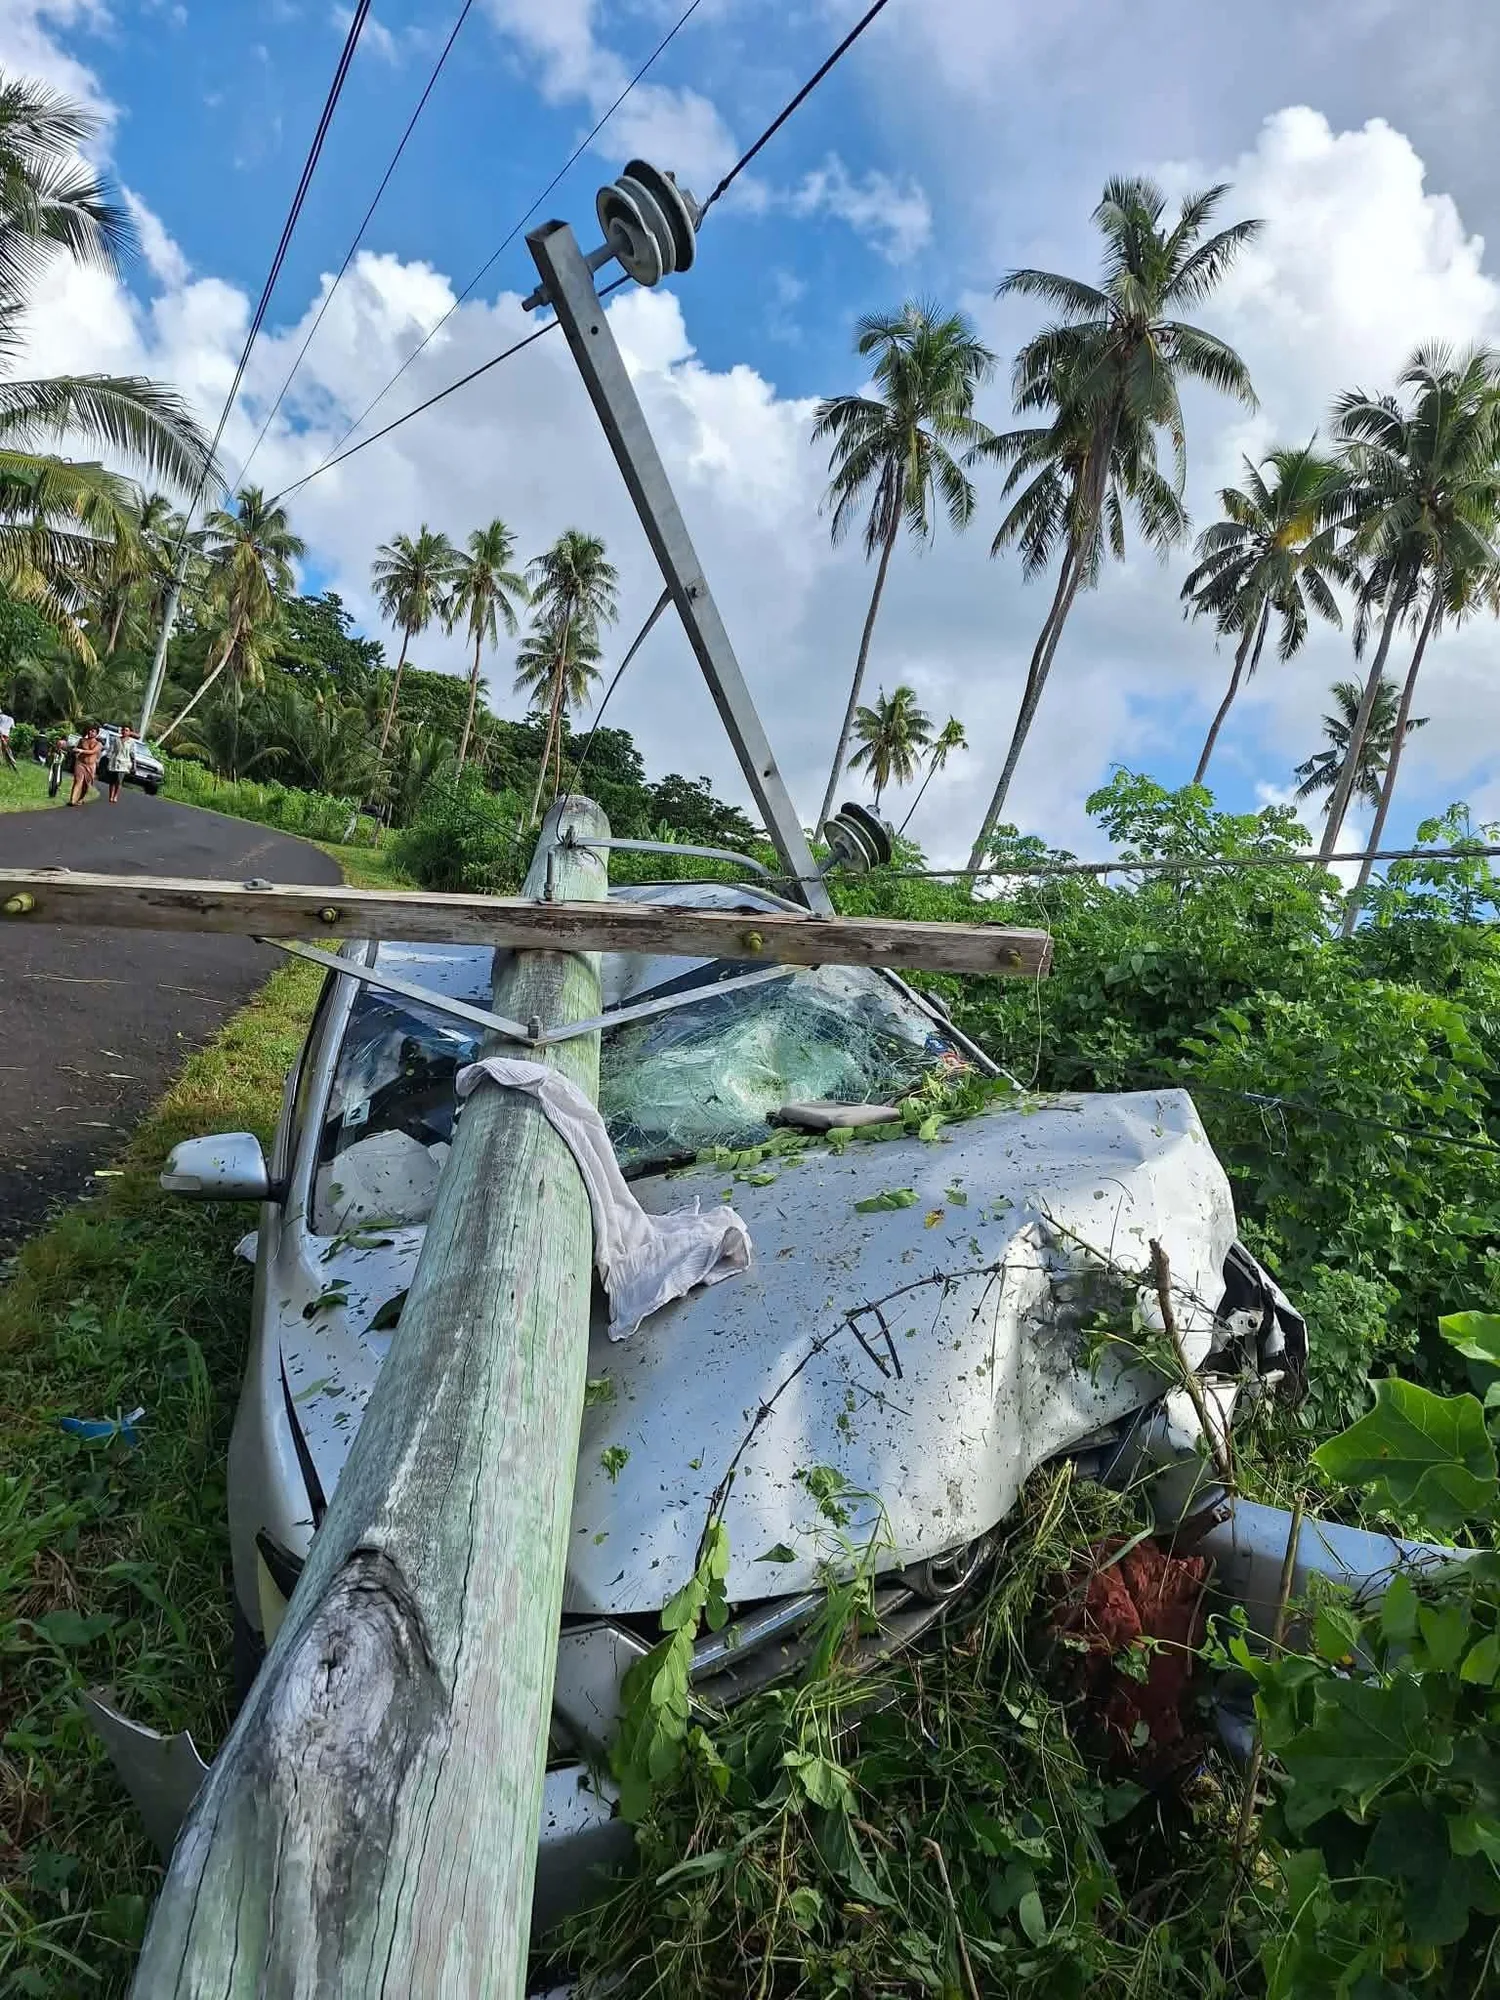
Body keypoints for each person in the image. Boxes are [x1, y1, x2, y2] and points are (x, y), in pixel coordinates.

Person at [68, 721, 102, 806]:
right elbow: (76, 749)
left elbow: (92, 751)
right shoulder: (82, 740)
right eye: (89, 730)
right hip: (80, 763)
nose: (90, 732)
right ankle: (72, 800)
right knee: (77, 781)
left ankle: (81, 798)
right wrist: (75, 751)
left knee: (86, 785)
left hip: (90, 766)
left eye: (93, 731)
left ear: (96, 733)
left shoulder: (98, 744)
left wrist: (82, 751)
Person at [104, 724, 136, 804]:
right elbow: (111, 750)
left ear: (129, 732)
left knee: (119, 780)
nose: (124, 732)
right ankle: (111, 795)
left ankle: (116, 795)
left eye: (126, 730)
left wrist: (134, 765)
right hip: (114, 761)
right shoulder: (116, 739)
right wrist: (108, 759)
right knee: (112, 780)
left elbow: (132, 753)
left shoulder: (131, 742)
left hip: (124, 763)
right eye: (123, 730)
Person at [46, 731, 66, 797]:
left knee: (54, 776)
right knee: (57, 776)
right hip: (59, 762)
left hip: (56, 761)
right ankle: (53, 791)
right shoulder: (65, 744)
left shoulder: (59, 743)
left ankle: (53, 791)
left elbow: (52, 752)